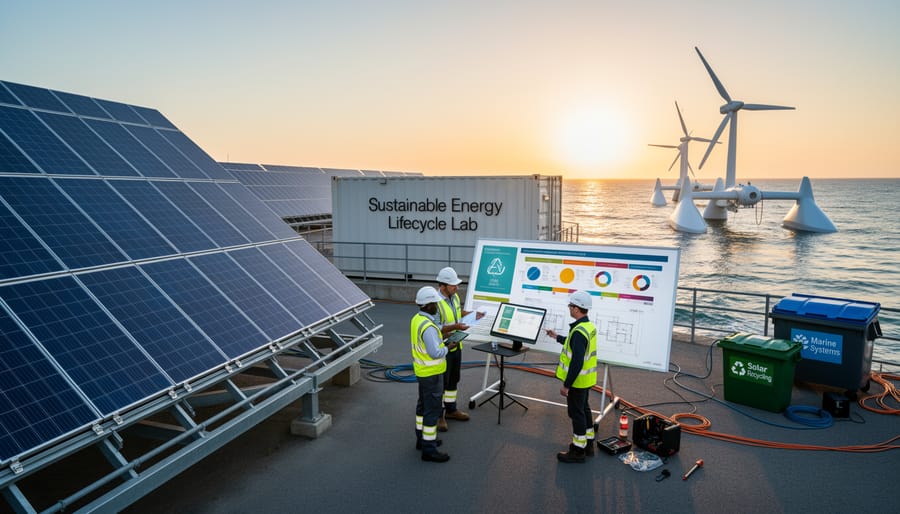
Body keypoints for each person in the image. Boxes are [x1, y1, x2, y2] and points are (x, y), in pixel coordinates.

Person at [545, 290, 598, 463]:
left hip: (577, 382)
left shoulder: (578, 332)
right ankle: (588, 443)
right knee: (584, 410)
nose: (569, 308)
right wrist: (556, 337)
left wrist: (566, 385)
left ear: (576, 308)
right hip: (586, 380)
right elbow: (573, 344)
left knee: (577, 414)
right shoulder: (587, 327)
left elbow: (576, 362)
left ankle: (578, 450)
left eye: (570, 306)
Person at [434, 266, 484, 432]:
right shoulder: (434, 303)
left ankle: (451, 409)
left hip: (456, 345)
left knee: (453, 380)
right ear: (442, 286)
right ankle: (438, 415)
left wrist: (472, 314)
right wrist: (456, 326)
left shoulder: (453, 297)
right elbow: (435, 328)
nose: (456, 287)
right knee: (441, 384)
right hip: (443, 348)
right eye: (453, 285)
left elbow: (457, 312)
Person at [411, 286, 456, 462]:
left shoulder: (417, 319)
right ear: (428, 305)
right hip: (432, 373)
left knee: (422, 407)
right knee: (432, 411)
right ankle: (429, 450)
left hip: (423, 372)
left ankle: (421, 440)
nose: (437, 306)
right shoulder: (429, 326)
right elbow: (435, 353)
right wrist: (448, 347)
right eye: (435, 303)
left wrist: (441, 341)